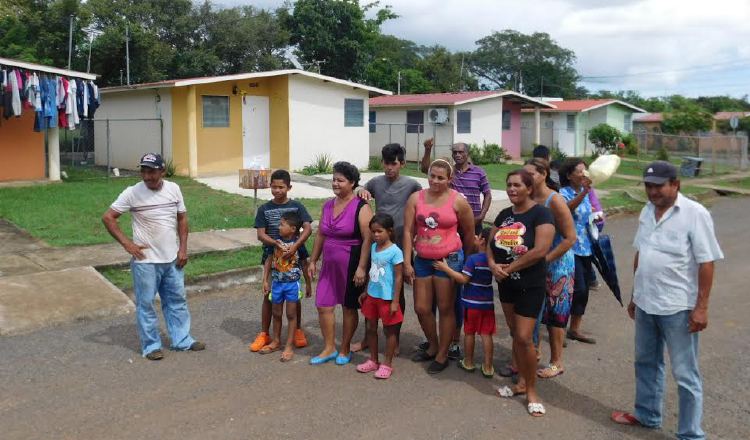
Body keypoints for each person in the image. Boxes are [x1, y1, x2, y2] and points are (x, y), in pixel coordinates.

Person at [611, 161, 723, 440]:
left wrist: (702, 307)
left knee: (686, 374)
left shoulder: (695, 214)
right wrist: (636, 295)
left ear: (676, 184)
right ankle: (647, 414)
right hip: (648, 303)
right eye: (648, 186)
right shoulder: (647, 211)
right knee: (646, 362)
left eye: (659, 185)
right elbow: (641, 252)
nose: (653, 191)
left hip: (678, 307)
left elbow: (706, 262)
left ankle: (691, 433)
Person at [102, 153, 205, 360]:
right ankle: (151, 346)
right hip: (145, 262)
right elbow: (108, 217)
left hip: (172, 259)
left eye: (151, 172)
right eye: (144, 171)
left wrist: (183, 249)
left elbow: (182, 219)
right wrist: (127, 244)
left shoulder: (174, 189)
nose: (147, 176)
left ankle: (182, 340)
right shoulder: (132, 193)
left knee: (177, 300)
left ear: (162, 171)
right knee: (146, 304)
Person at [491, 169, 554, 417]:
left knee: (525, 337)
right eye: (509, 185)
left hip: (530, 283)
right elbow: (490, 243)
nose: (512, 189)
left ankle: (532, 391)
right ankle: (519, 383)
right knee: (516, 335)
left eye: (517, 185)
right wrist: (492, 264)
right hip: (506, 284)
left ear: (529, 188)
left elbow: (540, 250)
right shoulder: (505, 214)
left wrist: (511, 268)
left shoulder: (541, 213)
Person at [421, 139, 491, 359]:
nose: (458, 154)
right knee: (431, 299)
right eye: (455, 152)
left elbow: (487, 194)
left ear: (467, 153)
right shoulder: (448, 173)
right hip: (444, 225)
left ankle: (453, 341)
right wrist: (428, 149)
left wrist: (481, 215)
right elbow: (427, 169)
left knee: (455, 295)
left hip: (467, 226)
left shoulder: (478, 172)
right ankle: (433, 338)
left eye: (461, 151)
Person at [403, 159, 475, 374]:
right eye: (432, 176)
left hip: (449, 260)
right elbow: (408, 231)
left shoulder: (458, 201)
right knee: (422, 307)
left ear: (450, 179)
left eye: (440, 177)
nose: (435, 180)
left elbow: (469, 233)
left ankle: (443, 353)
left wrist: (467, 264)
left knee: (445, 308)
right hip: (423, 259)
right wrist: (407, 262)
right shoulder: (416, 198)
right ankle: (432, 345)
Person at [355, 143, 421, 352]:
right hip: (378, 244)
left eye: (394, 164)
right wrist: (361, 191)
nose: (389, 168)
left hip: (400, 244)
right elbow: (361, 189)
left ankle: (395, 338)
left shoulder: (412, 185)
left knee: (396, 289)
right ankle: (367, 337)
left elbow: (423, 203)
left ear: (401, 163)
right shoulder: (376, 182)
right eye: (386, 164)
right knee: (371, 287)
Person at [307, 162, 373, 366]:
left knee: (349, 307)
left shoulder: (361, 207)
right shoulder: (327, 205)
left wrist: (362, 267)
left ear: (352, 183)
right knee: (323, 305)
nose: (335, 183)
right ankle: (329, 347)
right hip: (329, 264)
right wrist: (313, 260)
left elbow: (368, 239)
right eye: (334, 179)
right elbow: (321, 234)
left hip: (351, 261)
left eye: (340, 180)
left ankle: (344, 347)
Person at [523, 159, 576, 379]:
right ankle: (531, 353)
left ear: (544, 174)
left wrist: (546, 260)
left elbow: (570, 238)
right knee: (531, 311)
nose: (527, 179)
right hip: (534, 261)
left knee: (556, 314)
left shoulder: (556, 200)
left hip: (558, 264)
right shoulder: (528, 198)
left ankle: (556, 362)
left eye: (531, 174)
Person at [250, 169, 313, 353]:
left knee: (294, 295)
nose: (277, 190)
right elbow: (261, 234)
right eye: (273, 186)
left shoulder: (297, 207)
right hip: (272, 254)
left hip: (295, 254)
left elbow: (308, 228)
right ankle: (265, 333)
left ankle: (298, 330)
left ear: (289, 187)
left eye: (281, 187)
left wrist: (295, 246)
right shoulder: (264, 209)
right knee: (269, 294)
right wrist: (276, 243)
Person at [434, 227, 496, 378]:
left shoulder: (473, 260)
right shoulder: (493, 261)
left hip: (471, 304)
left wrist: (445, 268)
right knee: (486, 334)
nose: (475, 236)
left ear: (482, 241)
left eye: (478, 236)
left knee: (469, 333)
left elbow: (463, 279)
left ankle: (468, 361)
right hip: (487, 304)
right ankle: (488, 366)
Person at [355, 214, 404, 380]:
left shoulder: (395, 251)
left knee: (390, 331)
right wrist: (366, 290)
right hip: (372, 295)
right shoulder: (374, 248)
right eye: (373, 232)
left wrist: (395, 301)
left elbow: (398, 277)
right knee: (370, 328)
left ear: (389, 231)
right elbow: (372, 270)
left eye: (379, 231)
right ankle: (373, 360)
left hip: (387, 298)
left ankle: (387, 364)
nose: (376, 235)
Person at [559, 158, 597, 344]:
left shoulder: (585, 192)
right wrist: (584, 193)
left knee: (583, 292)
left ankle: (574, 329)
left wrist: (596, 218)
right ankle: (559, 329)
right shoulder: (563, 193)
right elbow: (567, 209)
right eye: (579, 171)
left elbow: (586, 215)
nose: (584, 174)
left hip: (586, 248)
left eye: (585, 170)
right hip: (569, 248)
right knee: (573, 289)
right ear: (569, 175)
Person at [260, 212, 306, 362]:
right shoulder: (274, 243)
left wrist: (309, 285)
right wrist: (265, 280)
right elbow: (268, 260)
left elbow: (304, 264)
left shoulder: (298, 245)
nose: (278, 227)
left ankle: (288, 346)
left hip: (292, 285)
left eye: (281, 224)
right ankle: (276, 340)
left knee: (291, 315)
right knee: (276, 313)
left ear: (293, 228)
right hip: (277, 284)